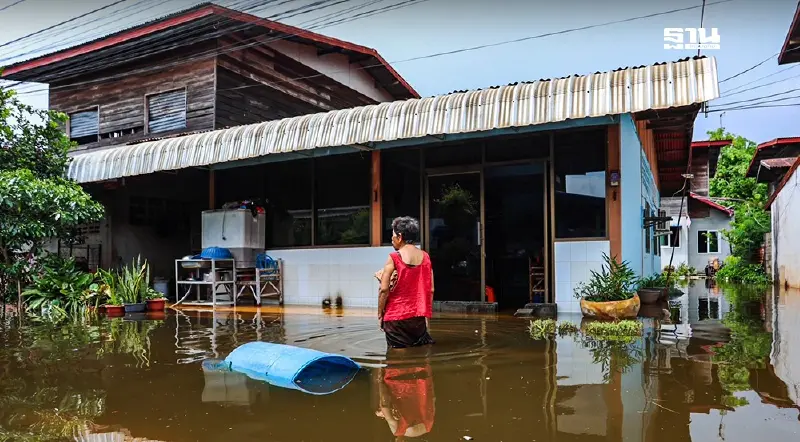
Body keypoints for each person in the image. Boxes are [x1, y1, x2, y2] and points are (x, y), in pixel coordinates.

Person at [378, 216, 435, 348]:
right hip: (417, 317)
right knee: (419, 360)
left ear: (399, 236)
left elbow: (384, 289)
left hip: (395, 319)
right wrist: (425, 314)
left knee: (397, 361)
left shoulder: (394, 257)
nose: (391, 239)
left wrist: (380, 313)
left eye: (392, 235)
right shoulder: (426, 257)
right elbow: (431, 290)